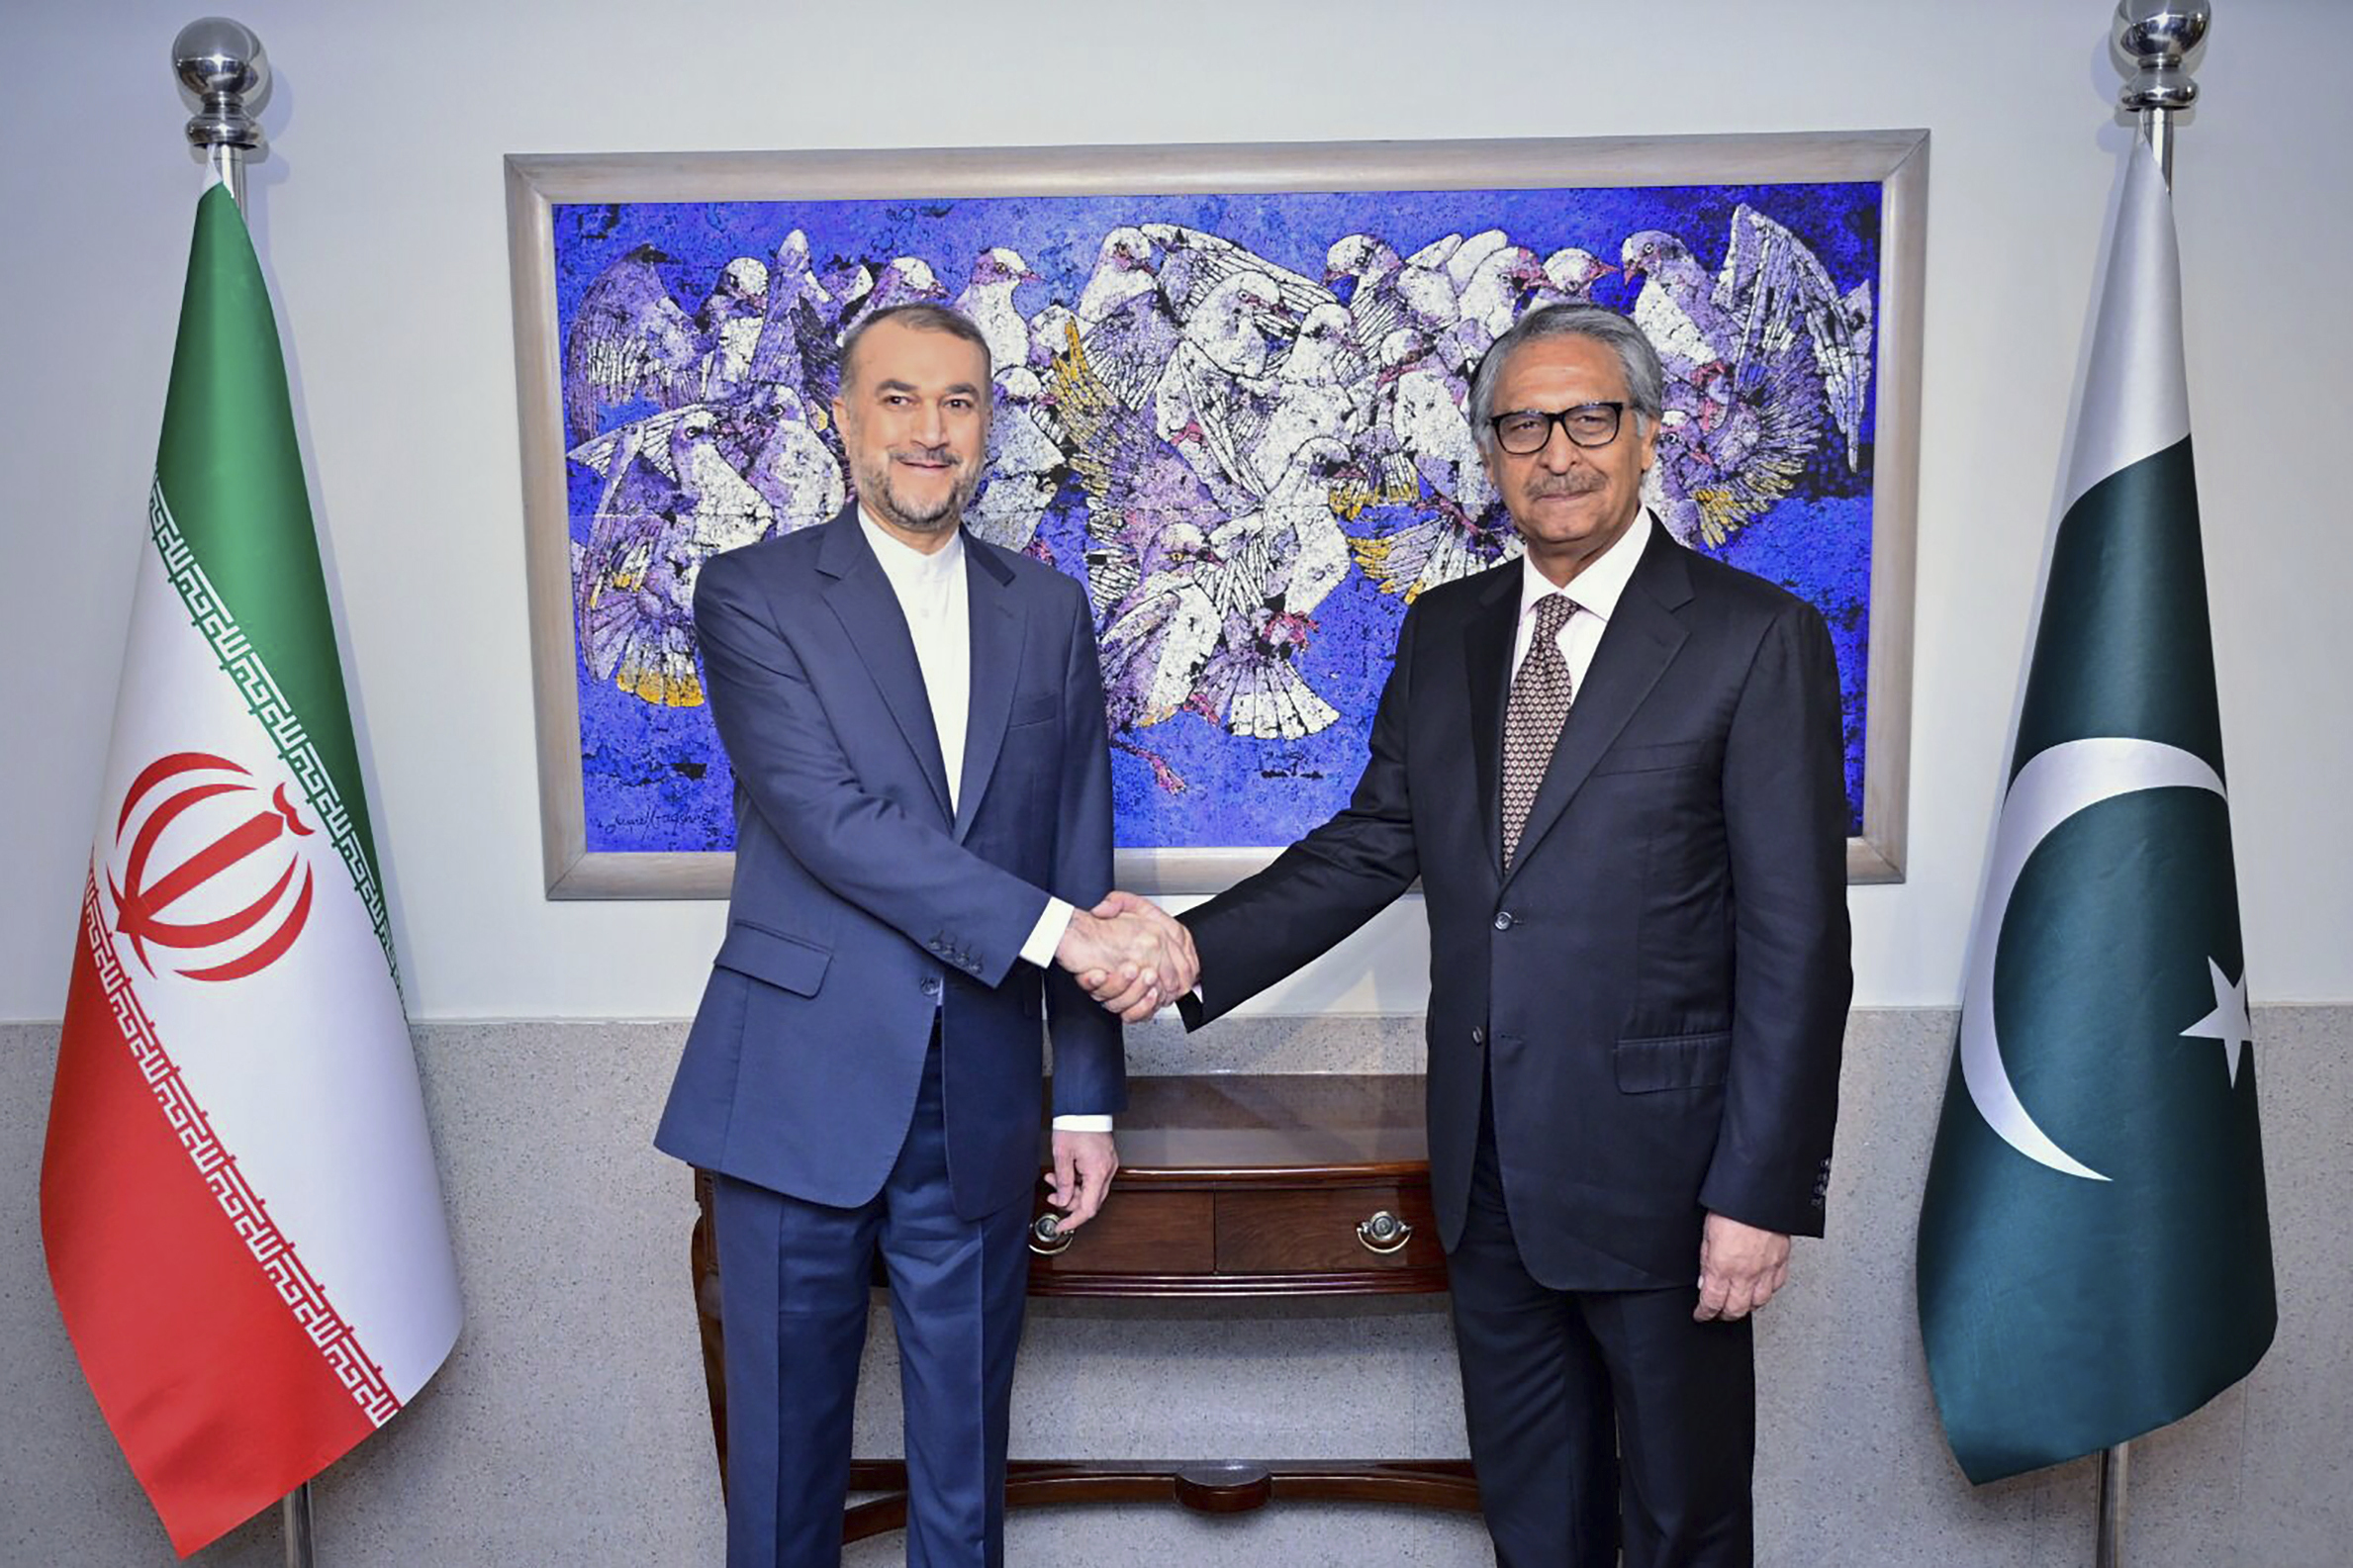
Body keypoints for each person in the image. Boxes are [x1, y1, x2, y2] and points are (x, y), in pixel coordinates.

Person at [1113, 302, 1851, 1566]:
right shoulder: (1443, 628)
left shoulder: (1752, 637)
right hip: (1485, 1171)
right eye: (1520, 424)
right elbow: (1369, 842)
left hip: (1668, 1180)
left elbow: (1797, 945)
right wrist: (1188, 949)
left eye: (1587, 418)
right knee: (1531, 1518)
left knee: (1681, 1519)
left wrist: (1757, 1191)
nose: (1555, 450)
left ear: (1646, 435)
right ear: (1487, 450)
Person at [655, 303, 1188, 1568]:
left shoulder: (1048, 608)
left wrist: (1086, 1104)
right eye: (897, 398)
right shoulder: (751, 594)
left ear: (987, 424)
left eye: (957, 401)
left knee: (965, 1480)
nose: (928, 430)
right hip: (796, 1091)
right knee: (784, 1486)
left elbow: (1075, 839)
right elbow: (833, 824)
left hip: (986, 1095)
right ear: (842, 417)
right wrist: (1070, 939)